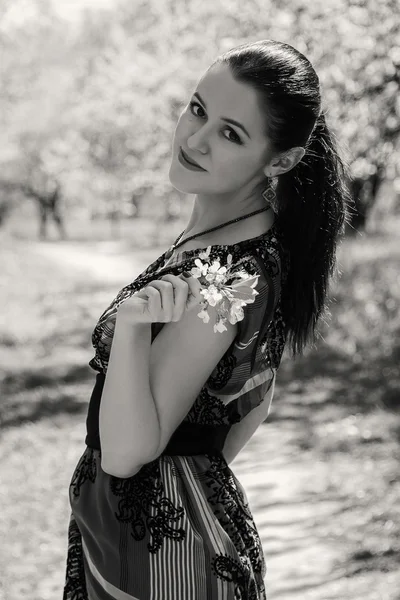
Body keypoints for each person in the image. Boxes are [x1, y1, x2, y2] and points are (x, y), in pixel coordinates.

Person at [62, 39, 351, 600]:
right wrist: (195, 465)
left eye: (230, 132)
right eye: (198, 109)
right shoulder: (232, 244)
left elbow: (126, 452)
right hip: (146, 530)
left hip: (165, 558)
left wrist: (131, 329)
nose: (194, 139)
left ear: (282, 159)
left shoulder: (229, 277)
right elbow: (256, 402)